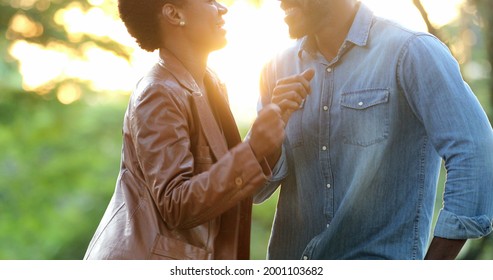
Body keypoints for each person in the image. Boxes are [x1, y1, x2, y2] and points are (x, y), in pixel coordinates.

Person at [255, 0, 493, 260]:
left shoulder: (412, 52)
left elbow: (477, 153)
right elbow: (256, 192)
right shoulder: (276, 69)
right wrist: (268, 136)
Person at [83, 0, 285, 260]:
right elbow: (175, 203)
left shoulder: (210, 84)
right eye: (210, 1)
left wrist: (278, 119)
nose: (222, 8)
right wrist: (252, 148)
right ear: (174, 13)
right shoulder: (157, 92)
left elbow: (227, 183)